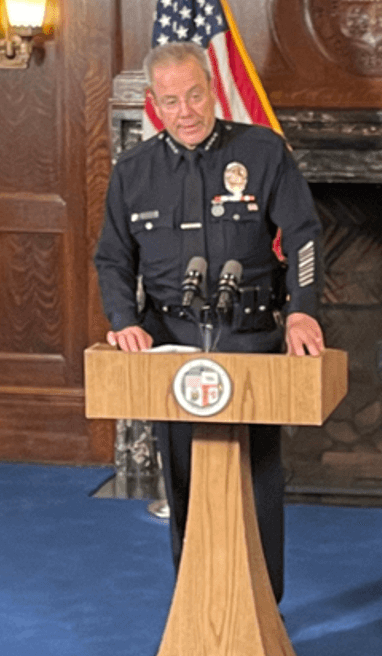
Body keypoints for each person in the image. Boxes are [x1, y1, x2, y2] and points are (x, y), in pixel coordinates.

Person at [94, 41, 324, 604]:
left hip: (251, 340)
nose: (186, 111)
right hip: (171, 346)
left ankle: (263, 608)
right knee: (183, 480)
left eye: (195, 95)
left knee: (257, 479)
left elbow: (303, 236)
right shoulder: (133, 171)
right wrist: (124, 319)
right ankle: (195, 606)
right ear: (154, 105)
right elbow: (113, 258)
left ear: (213, 89)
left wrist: (302, 309)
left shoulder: (262, 152)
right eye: (172, 101)